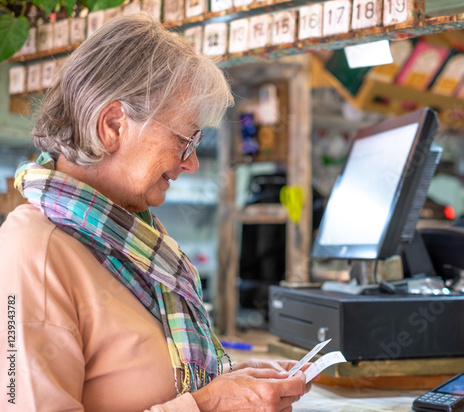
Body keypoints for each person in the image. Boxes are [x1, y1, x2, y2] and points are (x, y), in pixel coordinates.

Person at [0, 12, 311, 412]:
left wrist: (228, 386)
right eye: (184, 140)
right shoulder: (33, 252)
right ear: (113, 125)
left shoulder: (126, 237)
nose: (191, 163)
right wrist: (205, 406)